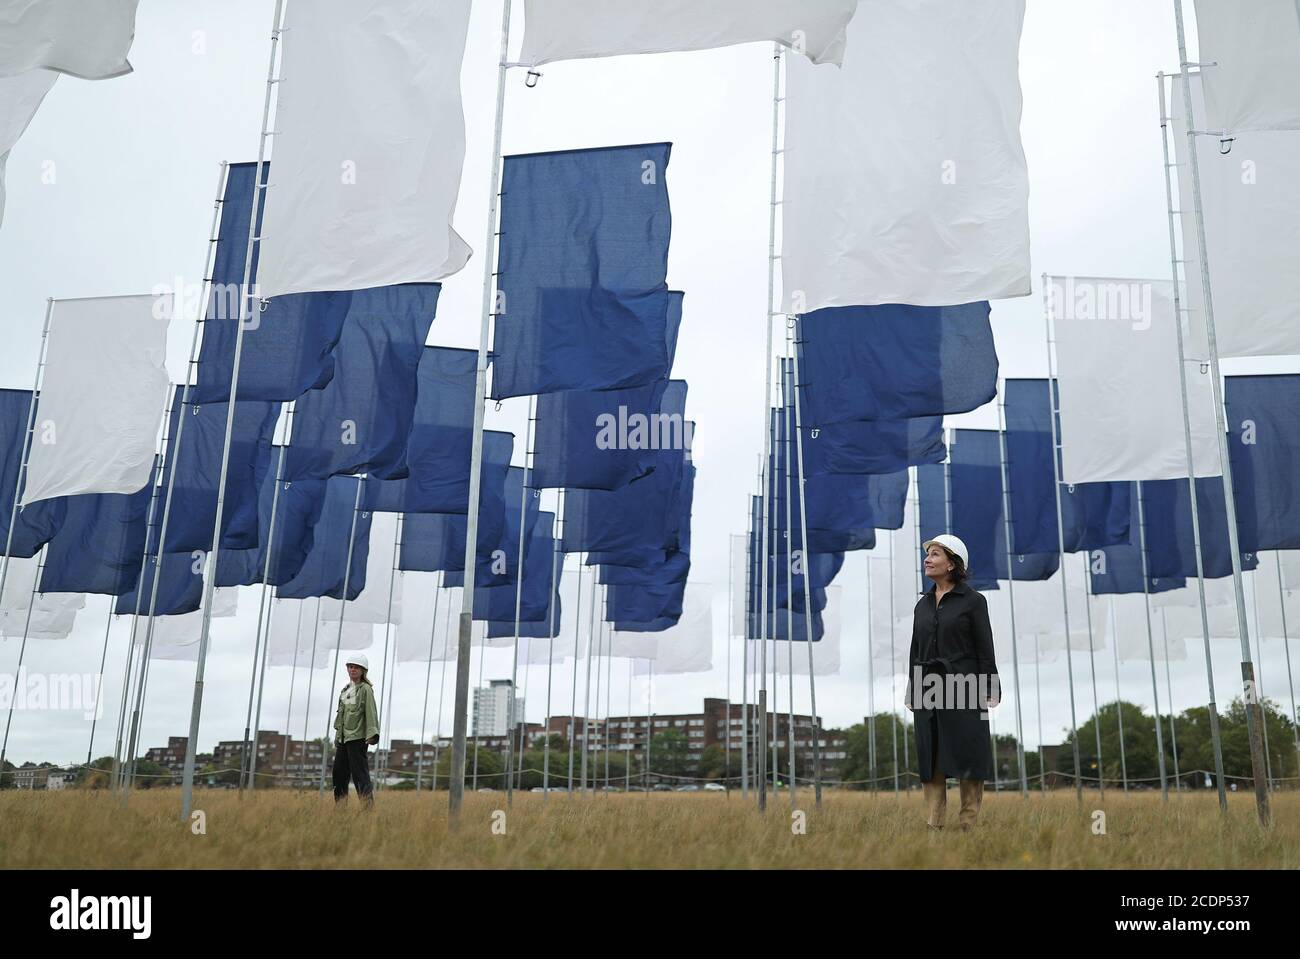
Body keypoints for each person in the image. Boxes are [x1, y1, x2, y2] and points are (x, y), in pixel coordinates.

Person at [905, 534, 1000, 831]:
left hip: (965, 686)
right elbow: (915, 649)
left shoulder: (973, 601)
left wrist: (991, 687)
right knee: (930, 757)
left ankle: (967, 827)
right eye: (927, 554)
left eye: (935, 554)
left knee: (968, 753)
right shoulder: (922, 605)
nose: (927, 559)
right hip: (927, 689)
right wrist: (912, 688)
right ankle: (934, 826)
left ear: (951, 564)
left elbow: (985, 647)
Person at [332, 653, 380, 808]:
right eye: (350, 667)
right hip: (343, 740)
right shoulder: (346, 690)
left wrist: (372, 734)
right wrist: (337, 737)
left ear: (363, 670)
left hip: (358, 739)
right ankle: (340, 809)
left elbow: (370, 712)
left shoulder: (365, 689)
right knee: (338, 776)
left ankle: (368, 810)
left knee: (360, 776)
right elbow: (342, 716)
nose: (352, 670)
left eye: (356, 667)